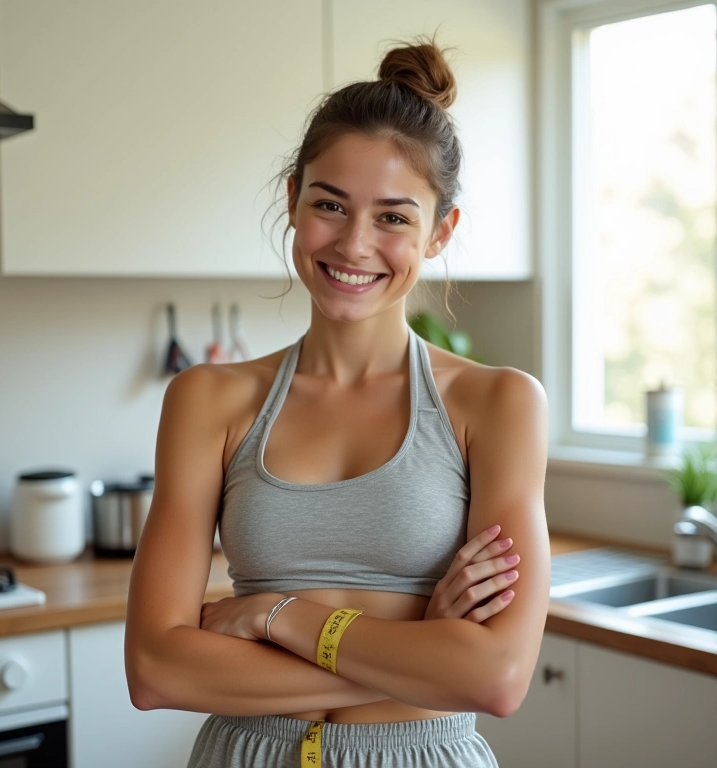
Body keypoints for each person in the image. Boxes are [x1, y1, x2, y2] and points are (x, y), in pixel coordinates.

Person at [125, 36, 550, 768]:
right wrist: (419, 642)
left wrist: (273, 614)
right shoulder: (208, 398)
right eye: (330, 204)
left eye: (393, 217)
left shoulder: (498, 403)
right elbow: (157, 670)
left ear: (439, 231)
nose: (354, 245)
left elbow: (497, 677)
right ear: (293, 200)